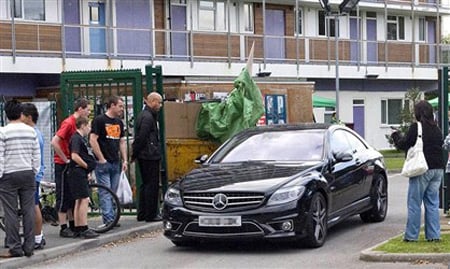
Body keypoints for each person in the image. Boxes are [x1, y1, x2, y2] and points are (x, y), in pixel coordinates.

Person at [391, 100, 444, 242]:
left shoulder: (417, 127)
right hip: (438, 169)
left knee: (414, 202)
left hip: (422, 168)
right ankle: (433, 236)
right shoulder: (437, 129)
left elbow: (405, 144)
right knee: (432, 203)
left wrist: (396, 136)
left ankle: (411, 236)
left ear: (418, 113)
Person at [0, 100, 40, 258]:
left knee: (10, 212)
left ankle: (15, 247)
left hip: (9, 174)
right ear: (21, 113)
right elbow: (36, 155)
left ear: (6, 113)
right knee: (28, 209)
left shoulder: (3, 132)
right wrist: (34, 171)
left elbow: (0, 156)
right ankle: (29, 246)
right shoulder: (31, 132)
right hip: (28, 174)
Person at [51, 98, 91, 238]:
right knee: (62, 194)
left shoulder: (76, 124)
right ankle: (63, 226)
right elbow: (55, 141)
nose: (88, 113)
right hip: (63, 164)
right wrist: (65, 159)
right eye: (87, 110)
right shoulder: (68, 123)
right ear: (80, 109)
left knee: (72, 194)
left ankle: (74, 224)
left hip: (71, 163)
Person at [90, 96, 127, 227]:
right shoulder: (100, 120)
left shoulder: (119, 122)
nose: (121, 109)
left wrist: (125, 159)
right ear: (112, 105)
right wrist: (101, 158)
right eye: (120, 106)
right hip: (104, 161)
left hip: (115, 160)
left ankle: (113, 216)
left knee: (114, 191)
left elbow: (122, 141)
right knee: (105, 191)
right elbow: (93, 139)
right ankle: (108, 219)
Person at [132, 92, 163, 222]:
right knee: (152, 184)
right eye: (159, 102)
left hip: (144, 154)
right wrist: (136, 152)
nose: (160, 106)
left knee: (145, 184)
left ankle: (143, 213)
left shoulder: (144, 115)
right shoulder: (148, 117)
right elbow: (142, 136)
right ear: (153, 101)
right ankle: (151, 214)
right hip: (149, 155)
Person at [67, 117, 99, 239]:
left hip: (77, 172)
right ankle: (83, 227)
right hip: (77, 171)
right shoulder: (76, 138)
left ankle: (78, 227)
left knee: (79, 200)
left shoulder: (78, 138)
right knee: (84, 199)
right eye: (89, 126)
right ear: (83, 125)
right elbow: (74, 156)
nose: (89, 129)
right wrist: (85, 166)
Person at [21, 103, 46, 249]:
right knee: (32, 205)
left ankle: (38, 237)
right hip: (34, 174)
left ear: (29, 117)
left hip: (33, 175)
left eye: (22, 115)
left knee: (34, 205)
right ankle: (37, 236)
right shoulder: (35, 132)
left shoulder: (33, 134)